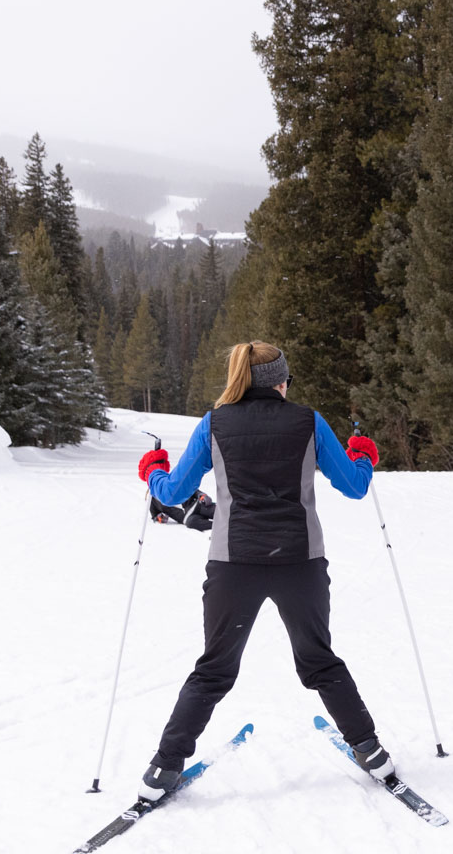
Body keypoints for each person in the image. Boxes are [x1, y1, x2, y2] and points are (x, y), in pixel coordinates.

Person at [135, 341, 394, 799]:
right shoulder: (308, 421)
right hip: (300, 563)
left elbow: (174, 491)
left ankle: (163, 768)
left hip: (234, 565)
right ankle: (371, 752)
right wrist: (364, 456)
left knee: (213, 670)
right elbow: (354, 487)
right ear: (282, 380)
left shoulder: (214, 422)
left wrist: (153, 471)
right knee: (320, 662)